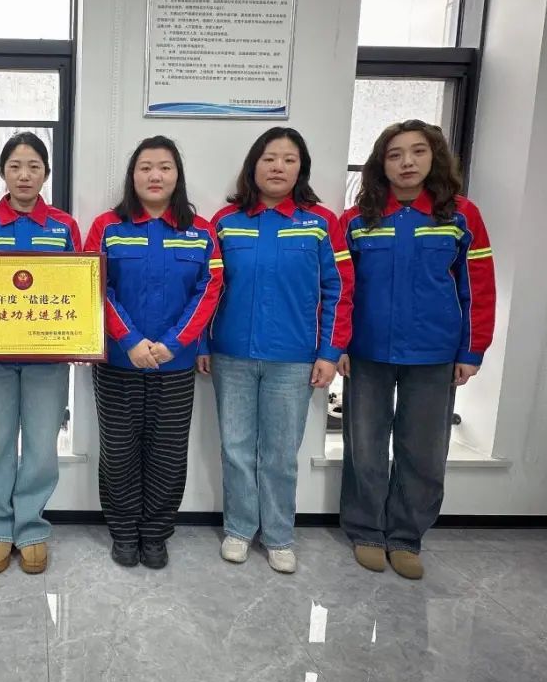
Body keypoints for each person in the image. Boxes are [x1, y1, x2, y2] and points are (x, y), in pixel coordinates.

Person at [338, 119, 495, 580]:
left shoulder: (461, 216)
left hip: (434, 353)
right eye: (395, 154)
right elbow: (342, 289)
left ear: (435, 158)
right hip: (367, 350)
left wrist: (472, 350)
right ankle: (367, 531)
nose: (407, 162)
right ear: (380, 164)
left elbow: (478, 287)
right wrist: (337, 344)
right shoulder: (357, 220)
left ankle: (406, 537)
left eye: (418, 152)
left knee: (423, 450)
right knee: (364, 447)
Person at [198, 127, 352, 574]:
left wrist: (329, 352)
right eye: (269, 158)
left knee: (281, 454)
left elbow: (339, 290)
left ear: (301, 168)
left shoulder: (321, 223)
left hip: (294, 359)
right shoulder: (225, 222)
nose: (278, 167)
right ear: (254, 166)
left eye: (288, 159)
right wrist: (204, 343)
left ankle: (280, 536)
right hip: (232, 355)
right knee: (236, 448)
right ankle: (239, 529)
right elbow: (208, 288)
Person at [84, 136, 222, 569]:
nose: (155, 175)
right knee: (119, 451)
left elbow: (209, 289)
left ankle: (156, 533)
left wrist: (173, 343)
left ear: (178, 175)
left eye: (165, 167)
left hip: (174, 364)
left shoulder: (201, 231)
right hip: (118, 361)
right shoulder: (107, 227)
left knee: (167, 452)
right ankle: (124, 531)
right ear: (133, 175)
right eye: (145, 167)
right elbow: (94, 285)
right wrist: (129, 339)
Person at [0, 132, 82, 575]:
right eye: (15, 166)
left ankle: (31, 528)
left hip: (47, 360)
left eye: (34, 166)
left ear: (46, 173)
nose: (24, 175)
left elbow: (78, 289)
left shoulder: (64, 227)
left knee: (40, 446)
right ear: (2, 172)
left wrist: (78, 336)